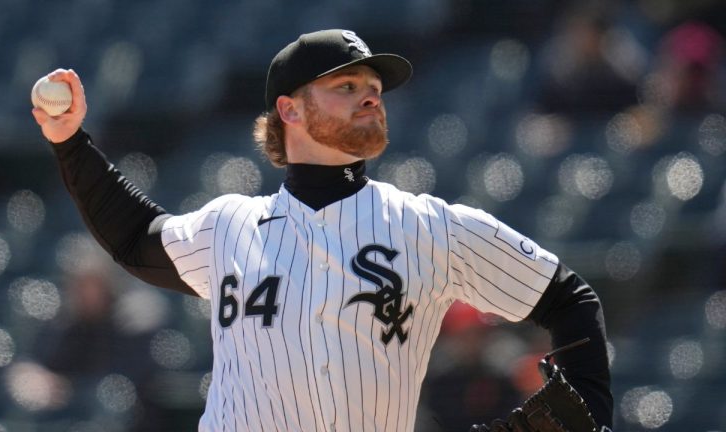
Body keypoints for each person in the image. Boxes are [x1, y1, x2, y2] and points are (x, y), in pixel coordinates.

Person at [32, 29, 613, 431]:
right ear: (289, 110)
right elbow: (135, 237)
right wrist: (71, 143)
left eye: (374, 89)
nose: (370, 97)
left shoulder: (431, 228)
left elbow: (569, 298)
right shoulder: (231, 226)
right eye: (346, 86)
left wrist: (590, 413)